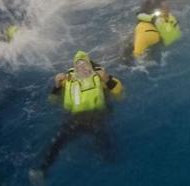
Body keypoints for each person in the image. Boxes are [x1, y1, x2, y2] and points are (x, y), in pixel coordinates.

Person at [31, 51, 123, 183]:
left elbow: (120, 95)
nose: (82, 68)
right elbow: (52, 101)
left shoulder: (100, 78)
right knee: (57, 141)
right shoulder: (68, 81)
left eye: (85, 64)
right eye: (78, 66)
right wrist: (56, 86)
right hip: (75, 119)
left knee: (105, 144)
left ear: (91, 66)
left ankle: (113, 168)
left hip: (96, 117)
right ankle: (42, 170)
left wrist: (107, 79)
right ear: (74, 68)